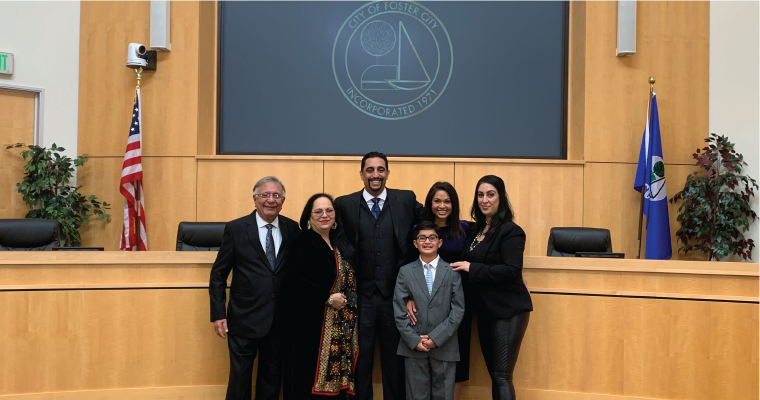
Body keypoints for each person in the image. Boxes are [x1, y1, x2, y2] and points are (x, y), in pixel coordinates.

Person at [334, 151, 424, 400]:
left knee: (394, 359)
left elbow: (435, 223)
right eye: (370, 170)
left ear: (387, 172)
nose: (376, 175)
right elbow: (329, 233)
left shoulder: (405, 200)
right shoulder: (344, 204)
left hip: (395, 296)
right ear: (361, 174)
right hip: (359, 297)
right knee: (360, 359)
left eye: (380, 169)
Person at [209, 176, 301, 400]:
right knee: (240, 378)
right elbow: (218, 274)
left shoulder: (292, 228)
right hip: (243, 319)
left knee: (271, 379)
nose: (271, 200)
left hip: (279, 321)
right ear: (255, 199)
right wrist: (218, 313)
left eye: (276, 195)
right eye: (265, 195)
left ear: (283, 200)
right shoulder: (236, 228)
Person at [450, 175, 532, 400]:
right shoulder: (475, 229)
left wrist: (471, 267)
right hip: (486, 311)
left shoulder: (511, 231)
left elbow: (511, 270)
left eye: (490, 194)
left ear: (501, 198)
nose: (484, 200)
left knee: (502, 376)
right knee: (495, 374)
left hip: (508, 310)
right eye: (480, 195)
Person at [283, 193, 358, 399]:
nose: (324, 215)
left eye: (329, 210)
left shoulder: (338, 242)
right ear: (309, 216)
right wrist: (327, 297)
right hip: (311, 325)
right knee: (310, 379)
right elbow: (294, 280)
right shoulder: (303, 241)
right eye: (318, 211)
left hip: (339, 326)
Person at [406, 182, 473, 399]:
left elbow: (488, 255)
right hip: (423, 304)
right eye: (437, 200)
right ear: (430, 203)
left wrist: (517, 273)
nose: (442, 205)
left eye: (447, 201)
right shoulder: (417, 231)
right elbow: (408, 265)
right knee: (425, 357)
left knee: (456, 359)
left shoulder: (466, 229)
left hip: (457, 303)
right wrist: (407, 296)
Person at [394, 221, 465, 400]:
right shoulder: (405, 272)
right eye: (422, 238)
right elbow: (399, 309)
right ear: (415, 243)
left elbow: (458, 310)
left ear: (440, 242)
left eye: (432, 237)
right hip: (414, 346)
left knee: (444, 395)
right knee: (416, 396)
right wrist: (413, 339)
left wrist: (436, 338)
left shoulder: (452, 272)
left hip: (445, 346)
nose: (427, 241)